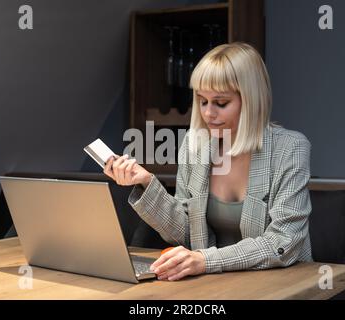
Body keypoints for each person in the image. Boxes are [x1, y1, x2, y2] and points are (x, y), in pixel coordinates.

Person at [104, 42, 312, 281]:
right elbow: (186, 233)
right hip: (214, 283)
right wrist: (146, 183)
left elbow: (282, 242)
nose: (208, 113)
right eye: (202, 101)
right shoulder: (195, 145)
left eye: (221, 103)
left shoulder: (291, 148)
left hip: (279, 284)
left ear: (252, 100)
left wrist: (206, 261)